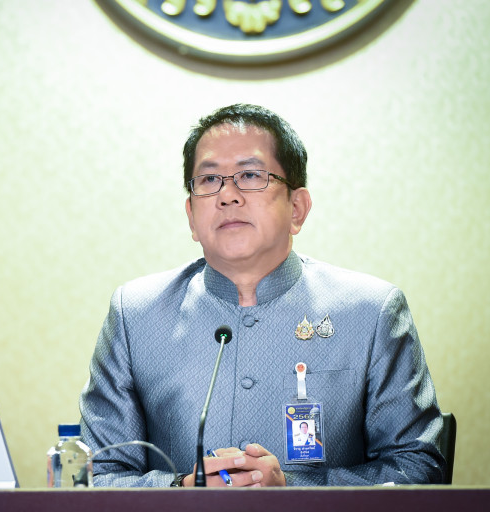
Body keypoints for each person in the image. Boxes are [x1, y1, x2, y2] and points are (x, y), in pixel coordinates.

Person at [79, 104, 446, 487]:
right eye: (209, 179)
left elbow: (418, 469)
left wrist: (292, 490)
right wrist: (181, 490)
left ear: (297, 209)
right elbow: (98, 477)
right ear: (191, 216)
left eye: (251, 175)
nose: (227, 196)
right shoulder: (137, 315)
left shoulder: (370, 312)